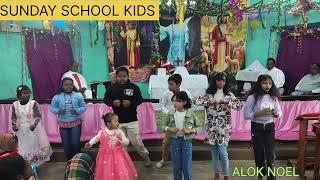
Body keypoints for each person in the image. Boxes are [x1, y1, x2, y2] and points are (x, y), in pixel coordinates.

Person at [196, 72, 242, 180]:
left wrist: (226, 102)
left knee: (223, 153)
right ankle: (216, 174)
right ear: (215, 81)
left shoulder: (229, 95)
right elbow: (196, 101)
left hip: (224, 128)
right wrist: (210, 102)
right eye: (219, 80)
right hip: (211, 127)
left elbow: (239, 106)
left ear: (226, 82)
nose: (221, 82)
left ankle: (226, 175)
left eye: (223, 80)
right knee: (214, 153)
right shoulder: (208, 94)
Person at [103, 66, 151, 167]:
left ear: (128, 76)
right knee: (120, 144)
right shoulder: (112, 88)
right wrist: (112, 103)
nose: (122, 78)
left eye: (124, 76)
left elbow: (140, 99)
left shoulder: (134, 87)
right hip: (117, 122)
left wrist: (131, 103)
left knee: (137, 142)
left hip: (132, 120)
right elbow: (106, 99)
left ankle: (146, 157)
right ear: (116, 77)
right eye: (119, 76)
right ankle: (122, 163)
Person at [244, 74, 282, 180]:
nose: (267, 86)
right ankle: (260, 175)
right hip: (257, 127)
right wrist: (258, 113)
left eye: (270, 83)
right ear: (259, 84)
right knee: (259, 153)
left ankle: (271, 177)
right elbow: (246, 115)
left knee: (270, 154)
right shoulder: (252, 97)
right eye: (264, 83)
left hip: (270, 127)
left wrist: (275, 113)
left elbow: (280, 113)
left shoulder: (273, 97)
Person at [85, 113, 137, 180]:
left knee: (120, 169)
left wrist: (122, 139)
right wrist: (90, 143)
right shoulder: (102, 131)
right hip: (105, 156)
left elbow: (126, 143)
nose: (118, 123)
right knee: (106, 170)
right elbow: (96, 138)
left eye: (117, 121)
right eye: (115, 121)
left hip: (118, 155)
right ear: (108, 123)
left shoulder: (119, 132)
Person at [156, 73, 193, 168]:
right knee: (165, 143)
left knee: (184, 143)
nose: (169, 86)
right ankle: (163, 159)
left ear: (178, 85)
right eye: (168, 84)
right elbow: (162, 106)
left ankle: (183, 161)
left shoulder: (187, 94)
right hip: (171, 122)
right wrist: (169, 113)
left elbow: (190, 107)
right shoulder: (166, 94)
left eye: (171, 84)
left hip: (183, 123)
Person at [163, 91, 202, 180]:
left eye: (178, 101)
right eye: (173, 101)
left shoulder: (191, 113)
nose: (175, 103)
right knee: (176, 166)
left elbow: (200, 127)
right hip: (175, 141)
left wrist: (190, 130)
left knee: (187, 166)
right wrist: (169, 129)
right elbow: (163, 125)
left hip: (187, 142)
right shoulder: (171, 113)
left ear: (184, 102)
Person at [11, 85, 52, 166]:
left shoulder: (33, 103)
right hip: (20, 130)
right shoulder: (15, 104)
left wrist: (34, 125)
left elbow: (38, 116)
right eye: (24, 93)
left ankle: (33, 165)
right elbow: (13, 117)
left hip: (32, 129)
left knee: (33, 146)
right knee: (22, 147)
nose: (27, 95)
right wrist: (14, 125)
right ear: (19, 95)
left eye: (28, 93)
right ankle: (24, 165)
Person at [51, 77, 87, 160]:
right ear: (62, 86)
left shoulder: (78, 96)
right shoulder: (57, 97)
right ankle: (69, 162)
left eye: (70, 85)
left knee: (75, 144)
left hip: (75, 124)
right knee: (66, 146)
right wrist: (59, 111)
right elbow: (52, 109)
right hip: (63, 125)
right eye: (66, 85)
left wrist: (77, 111)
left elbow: (84, 107)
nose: (69, 87)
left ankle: (77, 162)